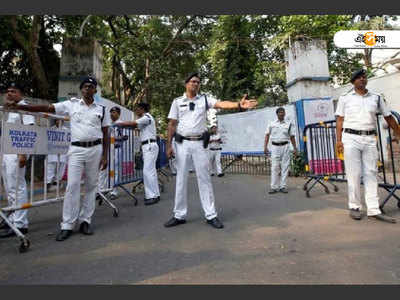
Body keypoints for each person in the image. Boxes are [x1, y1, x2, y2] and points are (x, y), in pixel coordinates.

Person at [4, 76, 110, 241]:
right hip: (76, 149)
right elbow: (47, 107)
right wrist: (19, 106)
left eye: (91, 87)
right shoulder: (71, 104)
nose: (88, 89)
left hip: (95, 150)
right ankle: (67, 225)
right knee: (72, 186)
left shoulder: (102, 109)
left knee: (91, 186)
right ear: (81, 89)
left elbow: (106, 133)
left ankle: (85, 221)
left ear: (95, 90)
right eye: (85, 86)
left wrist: (105, 155)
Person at [164, 72, 257, 229]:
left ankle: (211, 215)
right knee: (181, 180)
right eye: (192, 81)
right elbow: (172, 124)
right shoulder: (177, 102)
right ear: (186, 84)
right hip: (182, 145)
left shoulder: (204, 99)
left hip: (200, 144)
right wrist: (168, 146)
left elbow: (221, 104)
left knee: (205, 180)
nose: (195, 84)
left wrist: (238, 105)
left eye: (198, 82)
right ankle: (179, 215)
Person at [335, 69, 400, 223]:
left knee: (371, 173)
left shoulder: (376, 98)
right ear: (353, 82)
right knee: (354, 174)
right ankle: (355, 206)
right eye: (359, 78)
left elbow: (388, 117)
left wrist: (398, 133)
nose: (362, 80)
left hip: (370, 138)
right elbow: (339, 120)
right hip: (350, 138)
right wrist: (338, 140)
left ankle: (373, 209)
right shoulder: (344, 98)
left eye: (364, 77)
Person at [0, 82, 35, 238]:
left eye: (13, 91)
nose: (9, 94)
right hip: (6, 152)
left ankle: (20, 223)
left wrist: (23, 153)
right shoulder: (9, 108)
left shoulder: (24, 107)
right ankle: (12, 219)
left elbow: (28, 130)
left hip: (16, 153)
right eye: (8, 91)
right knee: (9, 188)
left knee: (17, 187)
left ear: (20, 93)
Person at [115, 103, 160, 206]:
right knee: (151, 172)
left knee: (147, 171)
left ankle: (152, 196)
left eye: (137, 109)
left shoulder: (146, 117)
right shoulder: (146, 119)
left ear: (142, 109)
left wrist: (120, 124)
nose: (135, 112)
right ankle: (155, 195)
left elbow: (133, 123)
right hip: (148, 145)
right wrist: (125, 126)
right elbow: (135, 127)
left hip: (149, 145)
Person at [264, 107, 297, 194]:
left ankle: (283, 186)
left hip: (286, 146)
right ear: (277, 114)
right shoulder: (271, 124)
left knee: (285, 167)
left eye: (283, 112)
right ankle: (274, 187)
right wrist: (265, 147)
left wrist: (295, 148)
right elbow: (267, 135)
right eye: (280, 112)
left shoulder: (289, 124)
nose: (282, 114)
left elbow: (292, 137)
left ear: (285, 114)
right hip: (275, 147)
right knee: (275, 167)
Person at [98, 106, 126, 200]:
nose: (111, 114)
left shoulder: (122, 123)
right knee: (104, 169)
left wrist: (113, 139)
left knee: (115, 170)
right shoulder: (109, 124)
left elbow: (125, 137)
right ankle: (101, 190)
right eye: (111, 112)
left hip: (117, 149)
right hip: (108, 149)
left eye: (114, 112)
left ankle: (114, 191)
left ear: (118, 114)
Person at [46, 119, 68, 191]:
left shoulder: (66, 130)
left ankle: (57, 183)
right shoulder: (51, 129)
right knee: (50, 168)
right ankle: (48, 184)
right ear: (55, 121)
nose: (59, 122)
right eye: (57, 120)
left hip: (62, 152)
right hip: (52, 152)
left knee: (61, 169)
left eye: (61, 120)